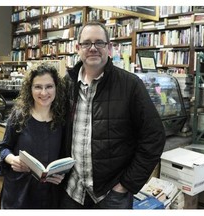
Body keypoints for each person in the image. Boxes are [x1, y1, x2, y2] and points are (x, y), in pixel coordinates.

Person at [60, 21, 166, 209]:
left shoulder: (130, 85)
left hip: (111, 195)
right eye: (86, 43)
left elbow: (154, 137)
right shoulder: (67, 84)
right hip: (72, 191)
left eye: (99, 43)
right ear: (78, 48)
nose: (93, 48)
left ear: (109, 47)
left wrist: (126, 184)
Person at [0, 63, 66, 209]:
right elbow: (4, 148)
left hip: (49, 194)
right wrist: (12, 159)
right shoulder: (19, 115)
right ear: (30, 89)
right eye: (38, 87)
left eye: (49, 86)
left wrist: (62, 174)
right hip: (19, 192)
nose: (43, 92)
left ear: (56, 88)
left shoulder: (62, 119)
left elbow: (65, 156)